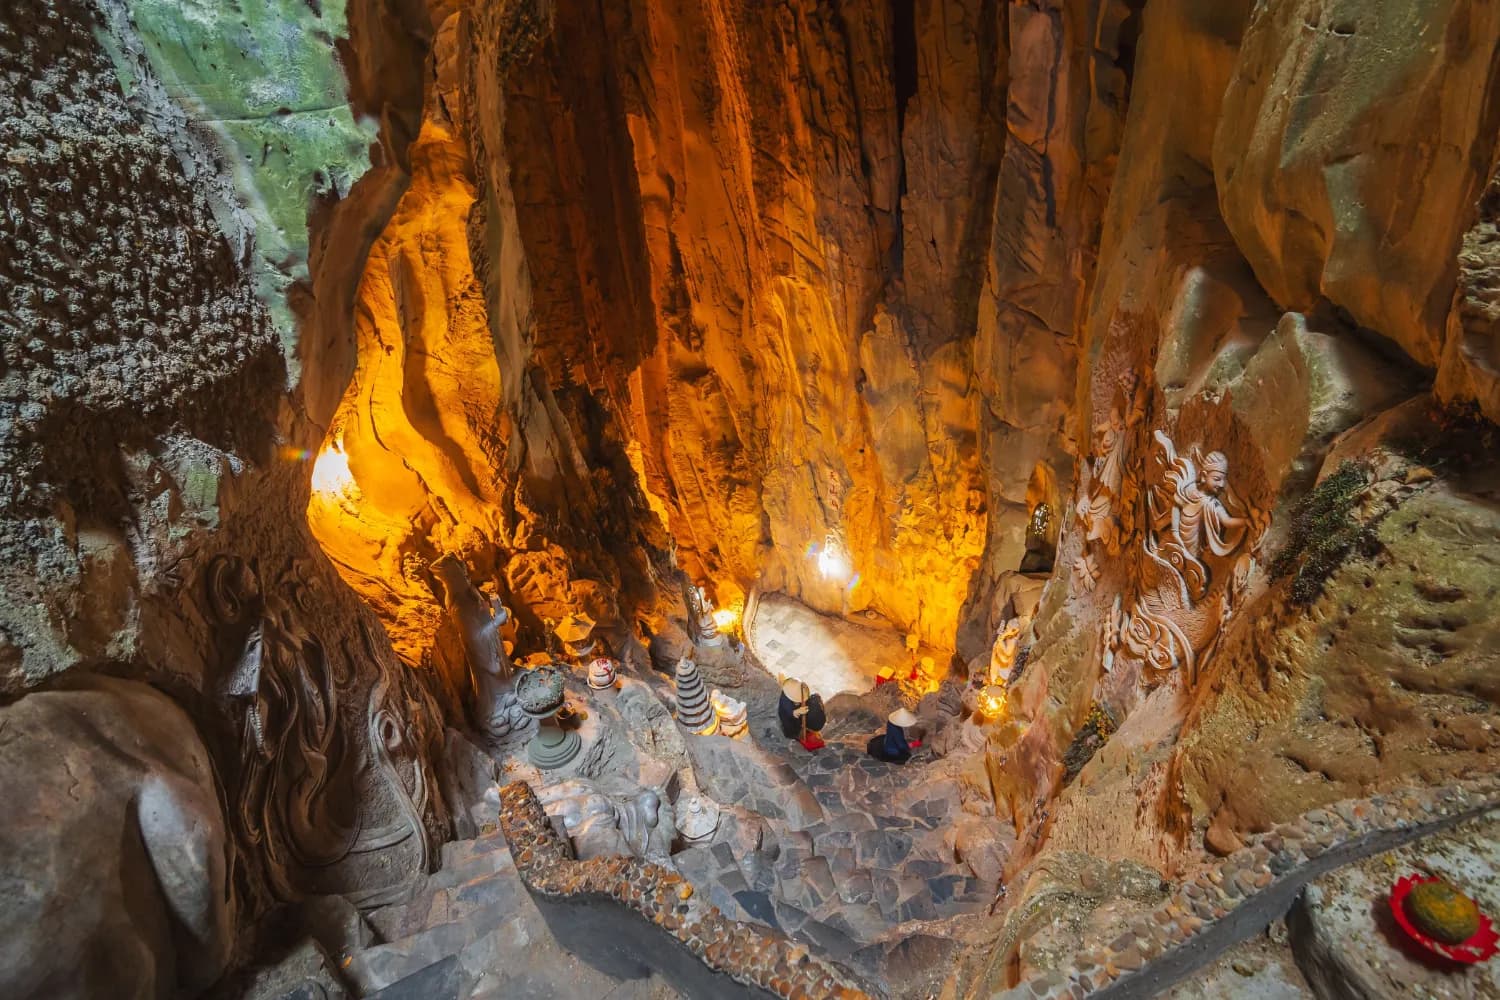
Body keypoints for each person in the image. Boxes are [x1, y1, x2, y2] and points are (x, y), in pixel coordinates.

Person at [777, 677, 826, 751]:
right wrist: (796, 712)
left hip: (799, 719)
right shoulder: (785, 700)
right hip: (790, 721)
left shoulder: (798, 694)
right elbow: (787, 711)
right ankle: (797, 735)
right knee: (791, 729)